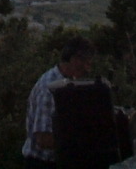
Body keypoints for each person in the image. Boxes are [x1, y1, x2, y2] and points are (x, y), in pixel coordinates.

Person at [24, 35, 127, 168]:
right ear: (75, 60)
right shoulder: (49, 88)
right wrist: (84, 141)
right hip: (42, 163)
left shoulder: (68, 84)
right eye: (87, 63)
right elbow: (43, 139)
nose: (88, 69)